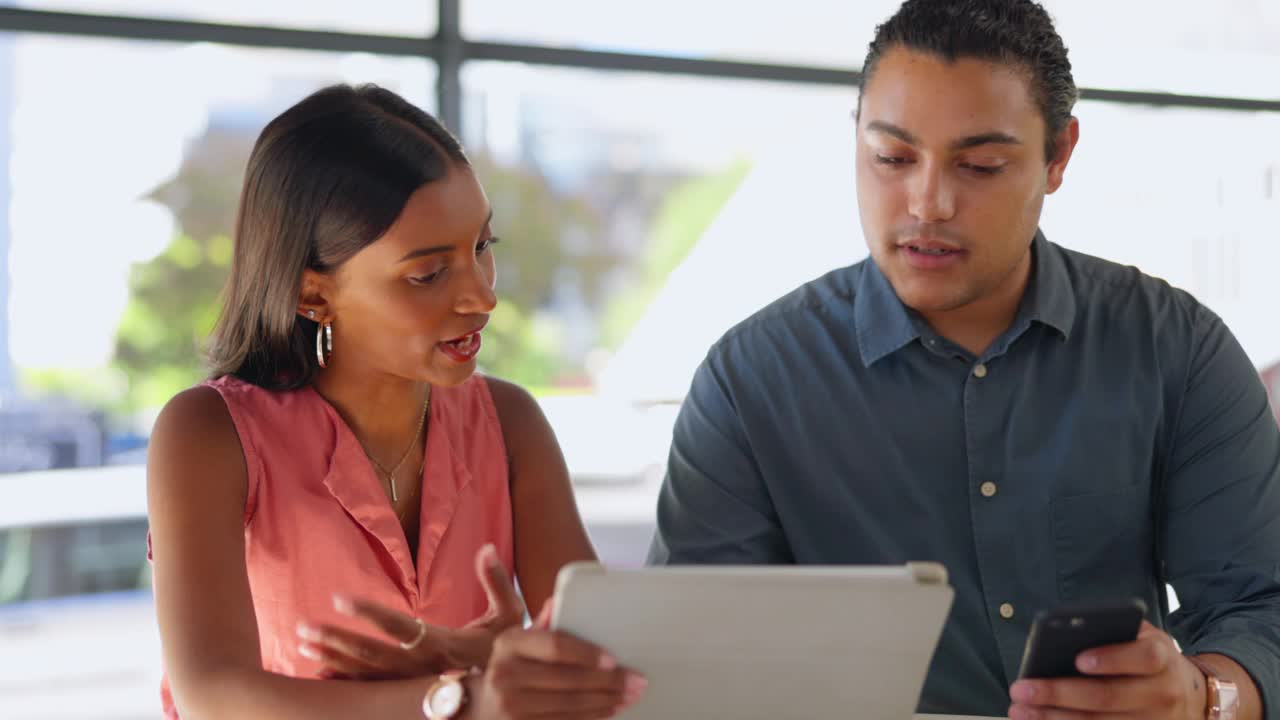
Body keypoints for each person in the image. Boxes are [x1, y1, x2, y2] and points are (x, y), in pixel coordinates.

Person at [647, 1, 1280, 719]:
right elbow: (685, 663)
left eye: (979, 165)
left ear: (1058, 156)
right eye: (892, 158)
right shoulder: (750, 384)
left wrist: (1206, 696)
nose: (929, 202)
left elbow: (1263, 607)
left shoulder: (1176, 350)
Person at [147, 84, 645, 719]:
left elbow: (607, 667)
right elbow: (214, 698)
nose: (482, 297)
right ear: (313, 295)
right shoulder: (207, 435)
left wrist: (488, 660)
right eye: (428, 274)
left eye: (482, 248)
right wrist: (458, 696)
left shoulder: (511, 423)